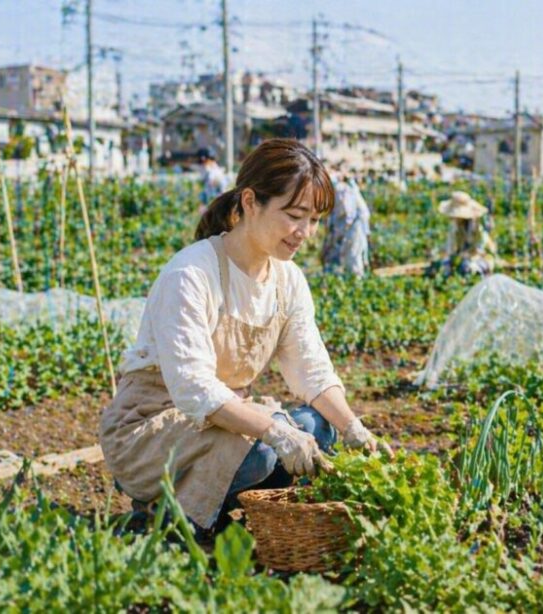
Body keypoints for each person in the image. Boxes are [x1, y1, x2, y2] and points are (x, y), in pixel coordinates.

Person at [100, 139, 393, 535]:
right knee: (266, 450)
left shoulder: (286, 279)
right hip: (154, 426)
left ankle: (218, 506)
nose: (305, 232)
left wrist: (353, 428)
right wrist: (275, 430)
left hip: (222, 422)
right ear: (251, 202)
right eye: (294, 215)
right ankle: (167, 513)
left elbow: (310, 369)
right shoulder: (191, 274)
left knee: (317, 428)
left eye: (315, 219)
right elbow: (194, 390)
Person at [433, 191, 498, 276]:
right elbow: (451, 247)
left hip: (480, 257)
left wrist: (467, 254)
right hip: (464, 256)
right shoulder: (454, 227)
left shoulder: (476, 228)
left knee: (469, 267)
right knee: (446, 267)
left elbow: (480, 248)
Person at [320, 170, 371, 277]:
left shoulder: (340, 190)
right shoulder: (340, 190)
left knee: (352, 256)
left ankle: (356, 282)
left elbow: (347, 214)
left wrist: (338, 233)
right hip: (349, 226)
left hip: (353, 227)